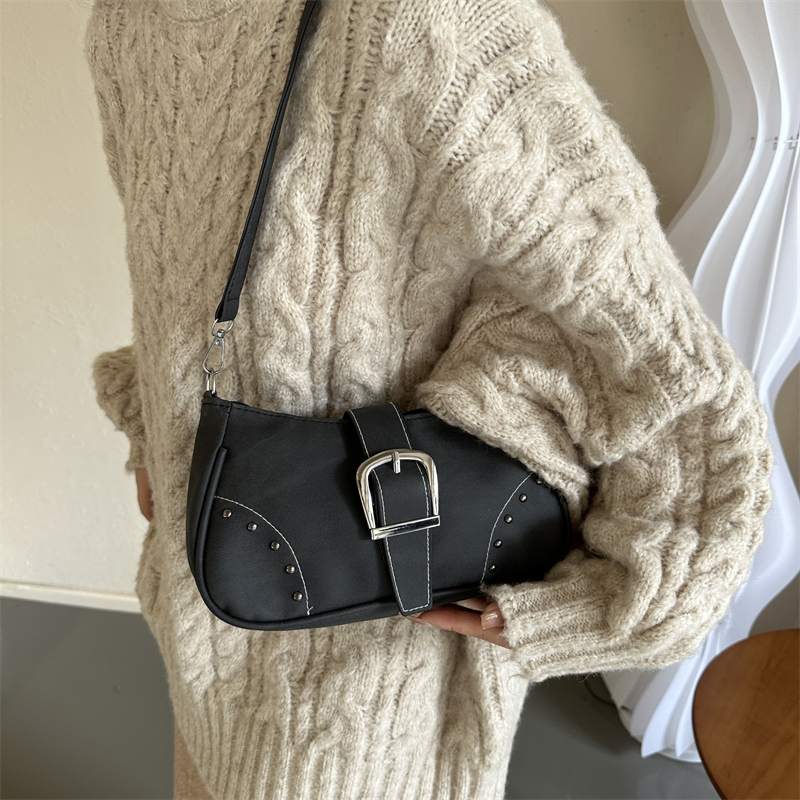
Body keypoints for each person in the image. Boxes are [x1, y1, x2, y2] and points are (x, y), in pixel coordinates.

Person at [86, 0, 774, 798]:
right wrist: (154, 437)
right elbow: (179, 274)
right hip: (203, 599)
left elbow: (669, 363)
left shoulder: (432, 24)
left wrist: (617, 603)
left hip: (368, 675)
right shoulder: (128, 19)